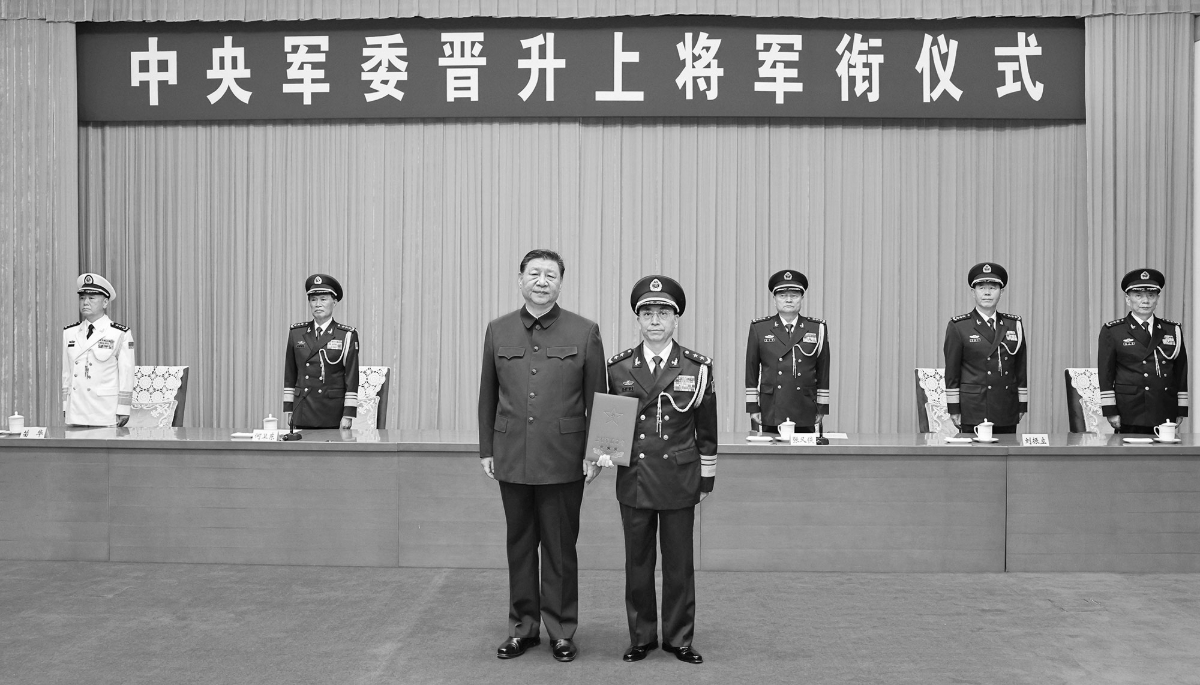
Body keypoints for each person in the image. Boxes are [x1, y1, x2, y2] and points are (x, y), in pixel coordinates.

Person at [477, 249, 606, 663]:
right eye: (534, 273)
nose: (542, 280)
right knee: (519, 545)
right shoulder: (498, 330)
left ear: (560, 283)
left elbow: (599, 399)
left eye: (551, 275)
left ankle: (562, 631)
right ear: (520, 279)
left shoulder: (584, 331)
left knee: (559, 548)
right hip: (512, 455)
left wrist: (597, 454)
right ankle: (523, 629)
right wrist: (486, 449)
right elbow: (487, 395)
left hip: (564, 459)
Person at [599, 275, 717, 665]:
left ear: (676, 319)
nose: (654, 320)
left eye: (663, 313)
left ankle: (679, 637)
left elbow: (707, 429)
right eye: (647, 313)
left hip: (680, 476)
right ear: (637, 319)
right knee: (638, 562)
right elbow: (611, 423)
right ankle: (642, 636)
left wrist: (707, 476)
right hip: (635, 476)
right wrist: (602, 453)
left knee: (680, 563)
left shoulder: (697, 367)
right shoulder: (618, 367)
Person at [1098, 268, 1188, 434]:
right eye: (1138, 295)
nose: (1145, 301)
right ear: (1128, 299)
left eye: (1151, 295)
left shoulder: (1172, 329)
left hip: (1164, 407)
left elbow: (1180, 371)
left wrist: (1181, 409)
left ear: (1157, 299)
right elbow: (1106, 374)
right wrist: (1110, 410)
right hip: (1129, 409)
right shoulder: (1113, 331)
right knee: (1130, 458)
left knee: (1165, 458)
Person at [943, 262, 1027, 434]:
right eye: (982, 287)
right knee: (975, 459)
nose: (987, 293)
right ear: (973, 292)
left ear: (1001, 291)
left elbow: (1020, 368)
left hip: (1005, 406)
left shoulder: (1013, 324)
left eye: (993, 288)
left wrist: (1021, 404)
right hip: (973, 407)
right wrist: (954, 408)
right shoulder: (959, 326)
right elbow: (952, 371)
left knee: (1006, 457)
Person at [745, 270, 829, 433]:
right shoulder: (759, 328)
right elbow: (751, 370)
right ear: (774, 300)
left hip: (806, 407)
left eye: (794, 295)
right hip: (771, 407)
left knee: (807, 457)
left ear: (802, 298)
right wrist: (753, 407)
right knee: (769, 457)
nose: (789, 300)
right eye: (783, 295)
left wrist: (822, 407)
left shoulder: (817, 328)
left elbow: (823, 371)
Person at [283, 274, 359, 429]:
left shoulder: (346, 335)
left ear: (335, 302)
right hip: (302, 408)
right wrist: (289, 408)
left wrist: (348, 414)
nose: (318, 304)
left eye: (323, 299)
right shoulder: (296, 333)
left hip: (332, 410)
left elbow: (352, 377)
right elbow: (290, 374)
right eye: (313, 300)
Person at [61, 273, 135, 427]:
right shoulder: (69, 332)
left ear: (105, 302)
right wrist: (65, 405)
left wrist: (123, 408)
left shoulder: (119, 333)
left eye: (91, 298)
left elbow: (126, 374)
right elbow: (66, 372)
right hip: (76, 410)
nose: (85, 302)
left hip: (104, 410)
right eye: (82, 298)